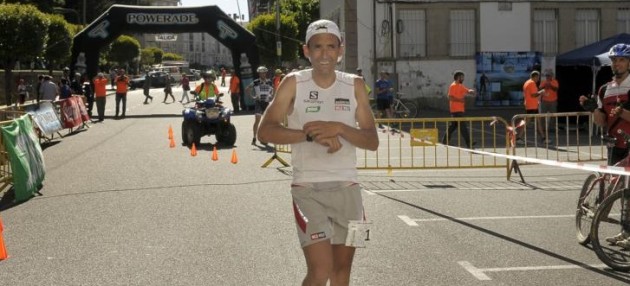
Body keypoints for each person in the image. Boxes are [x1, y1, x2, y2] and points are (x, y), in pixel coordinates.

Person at [258, 19, 378, 286]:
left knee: (341, 273)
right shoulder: (293, 82)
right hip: (308, 189)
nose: (324, 54)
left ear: (340, 50)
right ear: (306, 50)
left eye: (331, 47)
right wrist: (310, 135)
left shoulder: (355, 84)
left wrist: (338, 128)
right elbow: (265, 131)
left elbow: (372, 141)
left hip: (349, 189)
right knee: (320, 271)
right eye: (317, 47)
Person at [579, 43, 630, 248]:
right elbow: (602, 122)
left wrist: (623, 113)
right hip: (614, 144)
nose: (616, 64)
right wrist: (593, 109)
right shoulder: (605, 89)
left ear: (629, 63)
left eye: (621, 60)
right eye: (614, 60)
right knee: (618, 190)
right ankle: (624, 231)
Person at [441, 70, 476, 148]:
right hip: (456, 110)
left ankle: (444, 141)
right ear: (458, 77)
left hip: (459, 110)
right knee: (463, 127)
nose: (463, 79)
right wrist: (460, 100)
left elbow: (465, 90)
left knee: (452, 127)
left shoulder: (460, 85)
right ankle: (469, 143)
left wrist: (470, 91)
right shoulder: (453, 86)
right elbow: (450, 97)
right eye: (462, 77)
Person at [246, 65, 274, 145]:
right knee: (257, 121)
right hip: (259, 103)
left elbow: (274, 89)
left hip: (266, 103)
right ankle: (254, 138)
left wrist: (272, 96)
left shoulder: (269, 81)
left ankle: (265, 137)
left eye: (264, 73)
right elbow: (247, 89)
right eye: (261, 73)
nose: (263, 74)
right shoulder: (256, 82)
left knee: (267, 121)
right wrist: (253, 97)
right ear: (259, 74)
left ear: (266, 73)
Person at [517, 70, 545, 144]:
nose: (538, 79)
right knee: (528, 122)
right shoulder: (532, 83)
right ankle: (519, 137)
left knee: (537, 121)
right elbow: (533, 95)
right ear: (535, 77)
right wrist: (541, 92)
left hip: (531, 105)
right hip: (532, 106)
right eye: (538, 77)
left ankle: (543, 138)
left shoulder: (527, 82)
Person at [539, 70, 559, 137]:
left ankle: (551, 128)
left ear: (551, 76)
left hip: (553, 101)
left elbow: (556, 89)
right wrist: (545, 86)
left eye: (549, 75)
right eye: (546, 75)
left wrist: (550, 85)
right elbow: (540, 88)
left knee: (553, 115)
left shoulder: (555, 81)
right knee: (542, 115)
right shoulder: (543, 82)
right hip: (544, 101)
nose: (547, 77)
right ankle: (542, 128)